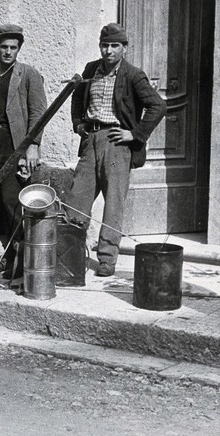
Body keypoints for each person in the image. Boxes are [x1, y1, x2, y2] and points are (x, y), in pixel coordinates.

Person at [64, 23, 166, 277]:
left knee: (113, 204)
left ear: (124, 48)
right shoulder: (91, 69)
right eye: (105, 45)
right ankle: (69, 255)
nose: (108, 51)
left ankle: (107, 259)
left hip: (117, 143)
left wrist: (135, 134)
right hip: (90, 141)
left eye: (114, 46)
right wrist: (78, 124)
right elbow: (77, 97)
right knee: (77, 199)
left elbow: (158, 106)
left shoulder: (133, 75)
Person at [0, 24, 47, 279]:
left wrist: (32, 146)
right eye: (4, 47)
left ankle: (23, 261)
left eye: (13, 48)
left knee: (12, 201)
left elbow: (38, 114)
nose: (8, 52)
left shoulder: (28, 75)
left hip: (16, 144)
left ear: (19, 49)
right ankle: (8, 254)